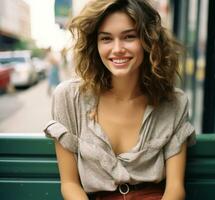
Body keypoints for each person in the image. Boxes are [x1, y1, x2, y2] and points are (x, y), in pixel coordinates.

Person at [43, 0, 196, 199]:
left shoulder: (173, 101)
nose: (117, 49)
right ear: (94, 44)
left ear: (148, 41)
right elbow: (70, 184)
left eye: (129, 37)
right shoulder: (69, 97)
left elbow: (175, 189)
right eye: (106, 39)